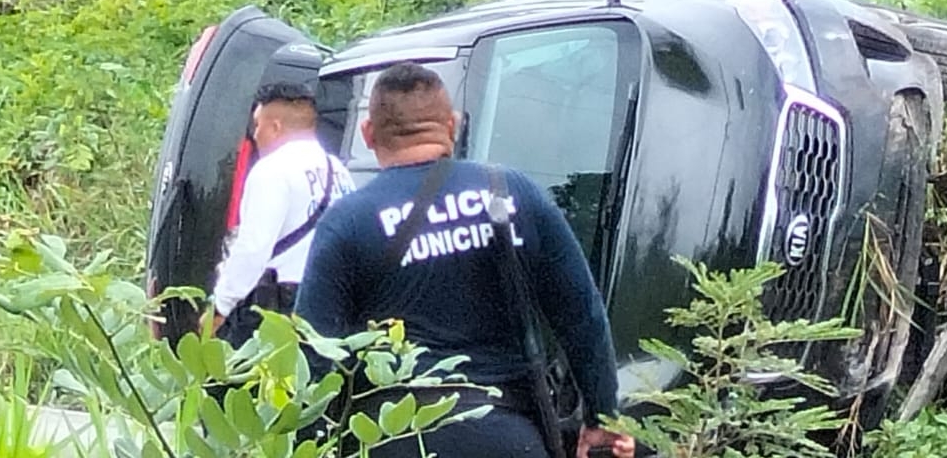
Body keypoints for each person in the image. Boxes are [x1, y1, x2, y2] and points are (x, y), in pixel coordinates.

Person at [295, 62, 634, 458]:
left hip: (395, 439)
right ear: (454, 125)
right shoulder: (513, 192)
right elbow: (582, 314)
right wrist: (602, 420)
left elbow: (313, 354)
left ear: (368, 134)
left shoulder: (348, 221)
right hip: (508, 436)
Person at [201, 80, 354, 346]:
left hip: (280, 306)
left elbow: (253, 248)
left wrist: (220, 308)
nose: (255, 135)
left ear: (275, 126)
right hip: (332, 303)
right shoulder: (338, 170)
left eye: (257, 125)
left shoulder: (271, 170)